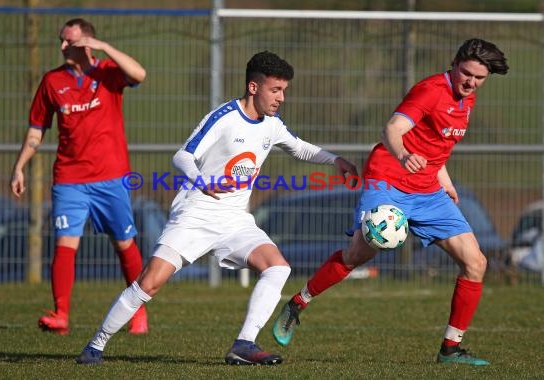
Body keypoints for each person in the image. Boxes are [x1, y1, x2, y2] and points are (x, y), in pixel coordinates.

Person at [75, 51, 358, 365]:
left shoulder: (272, 124)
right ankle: (94, 347)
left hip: (234, 220)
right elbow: (182, 156)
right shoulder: (224, 117)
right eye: (275, 90)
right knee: (150, 282)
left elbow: (299, 147)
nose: (281, 98)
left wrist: (335, 160)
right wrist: (200, 182)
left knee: (278, 267)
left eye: (284, 91)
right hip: (196, 213)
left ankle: (245, 344)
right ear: (254, 87)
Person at [272, 38, 508, 366]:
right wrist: (403, 155)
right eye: (466, 73)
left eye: (479, 78)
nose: (470, 82)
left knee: (476, 263)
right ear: (454, 65)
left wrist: (446, 183)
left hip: (428, 190)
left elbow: (435, 146)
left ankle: (450, 350)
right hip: (389, 178)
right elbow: (392, 129)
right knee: (359, 253)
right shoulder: (430, 90)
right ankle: (298, 303)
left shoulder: (467, 100)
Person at [10, 18, 149, 335]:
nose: (61, 47)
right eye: (61, 41)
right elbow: (36, 129)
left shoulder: (108, 74)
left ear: (86, 44)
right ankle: (60, 315)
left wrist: (106, 49)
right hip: (69, 179)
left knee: (123, 242)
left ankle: (138, 309)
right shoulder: (52, 82)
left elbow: (139, 74)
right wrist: (19, 166)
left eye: (68, 42)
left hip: (111, 177)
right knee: (64, 244)